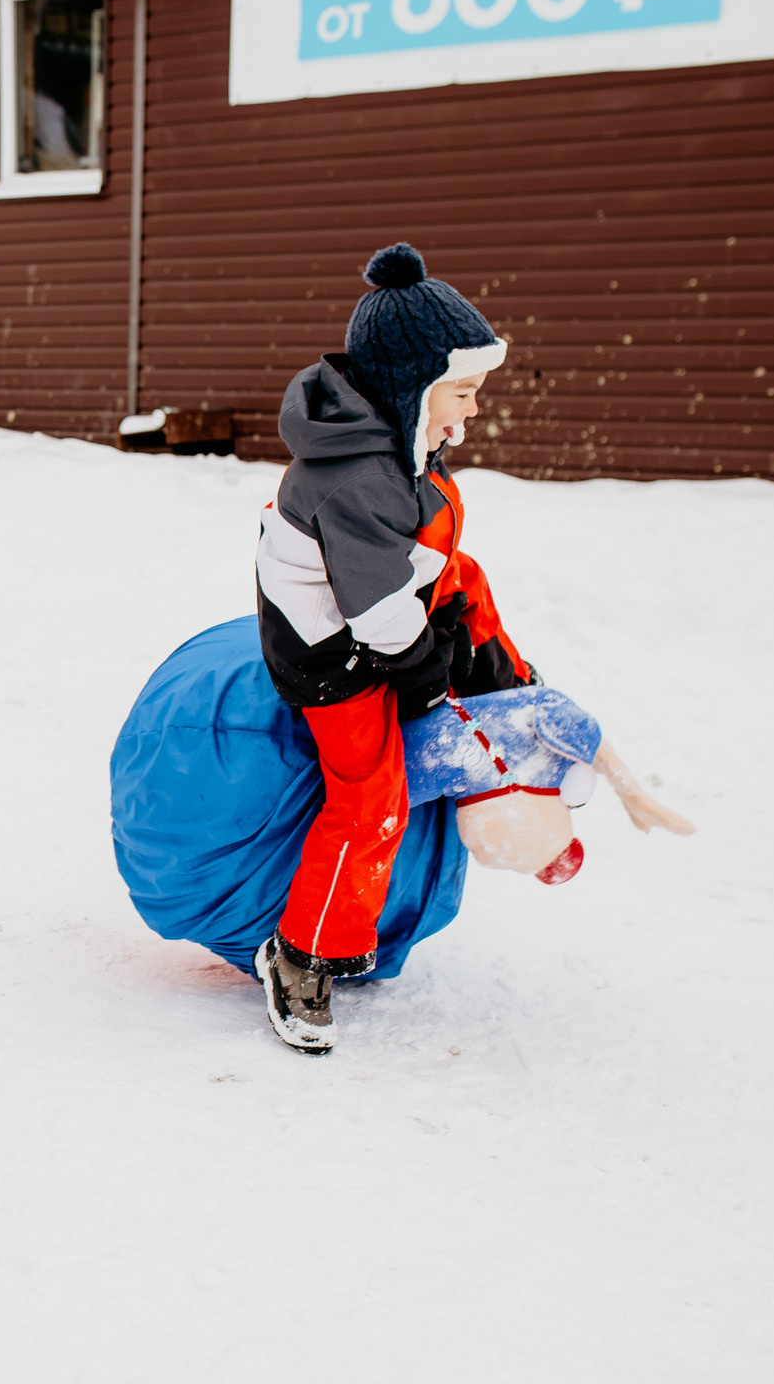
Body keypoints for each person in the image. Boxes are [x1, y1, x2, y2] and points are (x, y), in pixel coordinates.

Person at [251, 242, 536, 1056]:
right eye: (463, 392)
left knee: (468, 579)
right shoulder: (358, 480)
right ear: (412, 385)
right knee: (372, 796)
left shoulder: (392, 444)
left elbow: (412, 561)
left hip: (382, 601)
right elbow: (378, 615)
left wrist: (451, 634)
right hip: (333, 655)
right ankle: (300, 954)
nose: (471, 412)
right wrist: (422, 677)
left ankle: (509, 692)